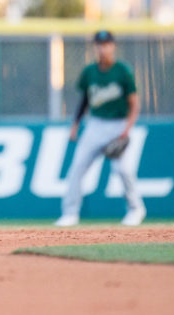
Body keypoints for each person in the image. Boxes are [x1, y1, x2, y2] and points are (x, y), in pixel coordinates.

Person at [55, 30, 145, 227]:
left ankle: (136, 209)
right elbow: (85, 100)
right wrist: (76, 125)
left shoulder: (123, 70)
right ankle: (70, 213)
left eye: (106, 44)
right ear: (95, 47)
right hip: (95, 124)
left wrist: (127, 129)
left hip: (118, 124)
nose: (102, 48)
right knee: (77, 167)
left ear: (113, 46)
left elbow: (134, 104)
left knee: (123, 170)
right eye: (99, 44)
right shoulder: (90, 72)